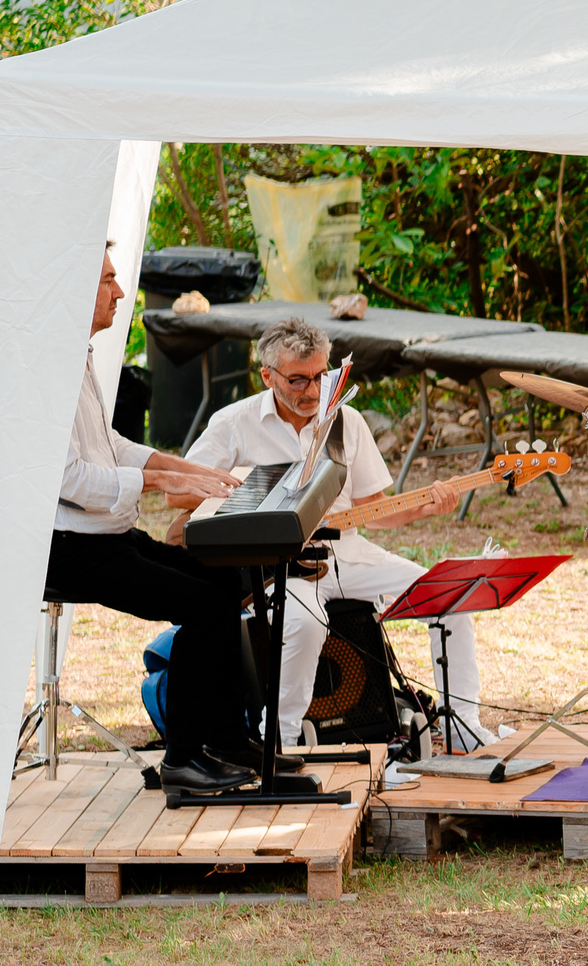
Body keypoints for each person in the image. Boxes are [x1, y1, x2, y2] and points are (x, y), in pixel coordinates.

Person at [176, 318, 467, 750]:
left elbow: (372, 509)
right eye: (297, 380)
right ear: (267, 375)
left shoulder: (344, 422)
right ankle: (280, 742)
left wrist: (423, 507)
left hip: (345, 552)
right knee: (304, 623)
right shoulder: (234, 424)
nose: (312, 391)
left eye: (320, 377)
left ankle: (465, 730)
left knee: (450, 596)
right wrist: (246, 495)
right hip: (280, 568)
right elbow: (177, 500)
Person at [45, 253, 257, 794]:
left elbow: (111, 446)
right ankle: (182, 759)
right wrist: (161, 484)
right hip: (71, 549)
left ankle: (228, 738)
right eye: (108, 280)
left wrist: (190, 469)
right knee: (204, 603)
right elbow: (66, 478)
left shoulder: (79, 355)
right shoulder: (47, 365)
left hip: (108, 539)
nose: (120, 292)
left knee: (225, 580)